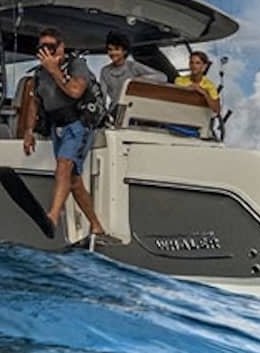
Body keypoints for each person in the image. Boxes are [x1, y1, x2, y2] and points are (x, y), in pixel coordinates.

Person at [22, 28, 113, 242]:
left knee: (64, 165)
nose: (46, 52)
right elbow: (35, 103)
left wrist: (54, 70)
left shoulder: (75, 65)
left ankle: (52, 216)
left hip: (79, 123)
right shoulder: (39, 73)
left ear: (61, 48)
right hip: (58, 126)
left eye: (51, 47)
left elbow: (75, 91)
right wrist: (28, 131)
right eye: (42, 48)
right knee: (73, 181)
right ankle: (97, 225)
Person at [99, 31, 164, 107]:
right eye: (110, 49)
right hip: (116, 109)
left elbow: (162, 77)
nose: (113, 53)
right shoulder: (105, 71)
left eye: (116, 49)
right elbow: (102, 96)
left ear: (124, 51)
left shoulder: (133, 66)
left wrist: (139, 79)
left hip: (135, 107)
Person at [175, 50, 222, 115]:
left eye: (197, 63)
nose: (194, 66)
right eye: (191, 62)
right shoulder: (179, 80)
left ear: (204, 66)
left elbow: (217, 110)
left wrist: (205, 94)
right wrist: (188, 91)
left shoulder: (210, 85)